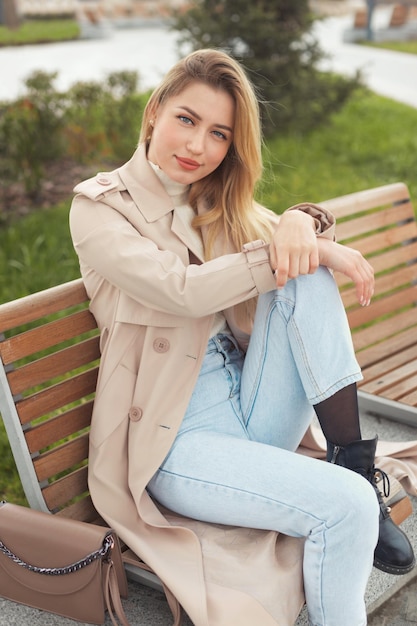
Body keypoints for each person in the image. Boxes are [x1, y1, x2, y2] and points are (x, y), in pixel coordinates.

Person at [69, 49, 414, 626]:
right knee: (347, 508)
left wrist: (303, 223)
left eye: (218, 134)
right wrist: (295, 247)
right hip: (173, 441)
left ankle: (353, 462)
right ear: (154, 112)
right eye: (186, 119)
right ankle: (356, 488)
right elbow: (182, 290)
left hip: (249, 413)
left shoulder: (212, 198)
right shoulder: (100, 208)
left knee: (307, 279)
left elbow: (285, 237)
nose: (198, 146)